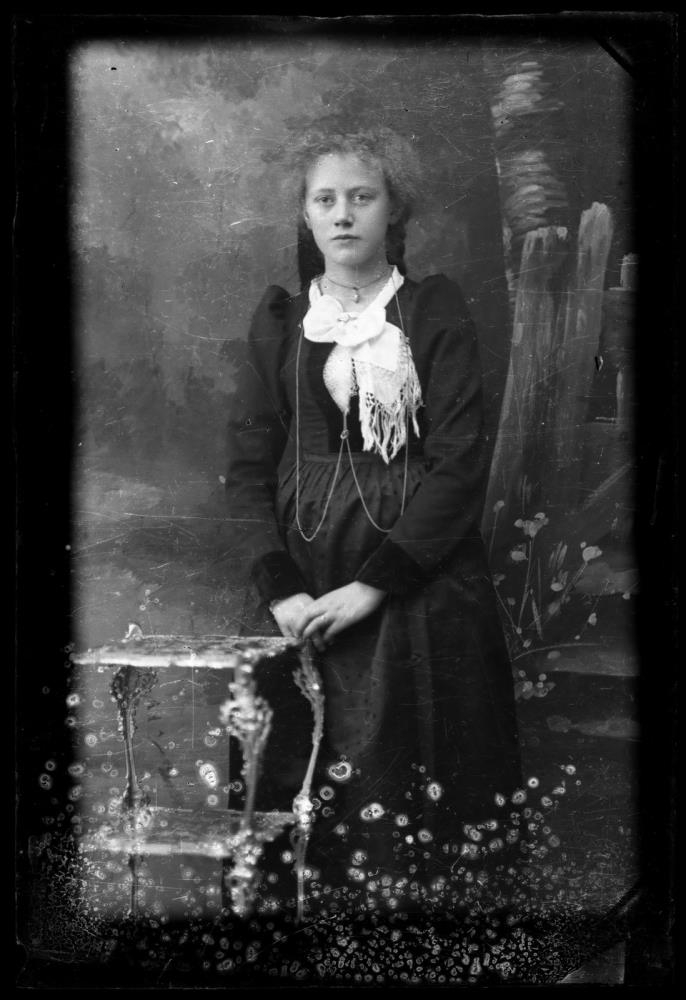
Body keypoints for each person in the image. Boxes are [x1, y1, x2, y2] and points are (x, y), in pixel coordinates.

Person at [224, 128, 522, 915]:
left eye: (363, 197)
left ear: (395, 210)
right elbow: (248, 472)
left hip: (416, 585)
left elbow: (459, 466)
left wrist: (375, 586)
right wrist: (280, 590)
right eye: (325, 199)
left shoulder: (430, 310)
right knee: (294, 786)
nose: (344, 214)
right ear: (305, 214)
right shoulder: (283, 322)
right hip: (300, 583)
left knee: (409, 782)